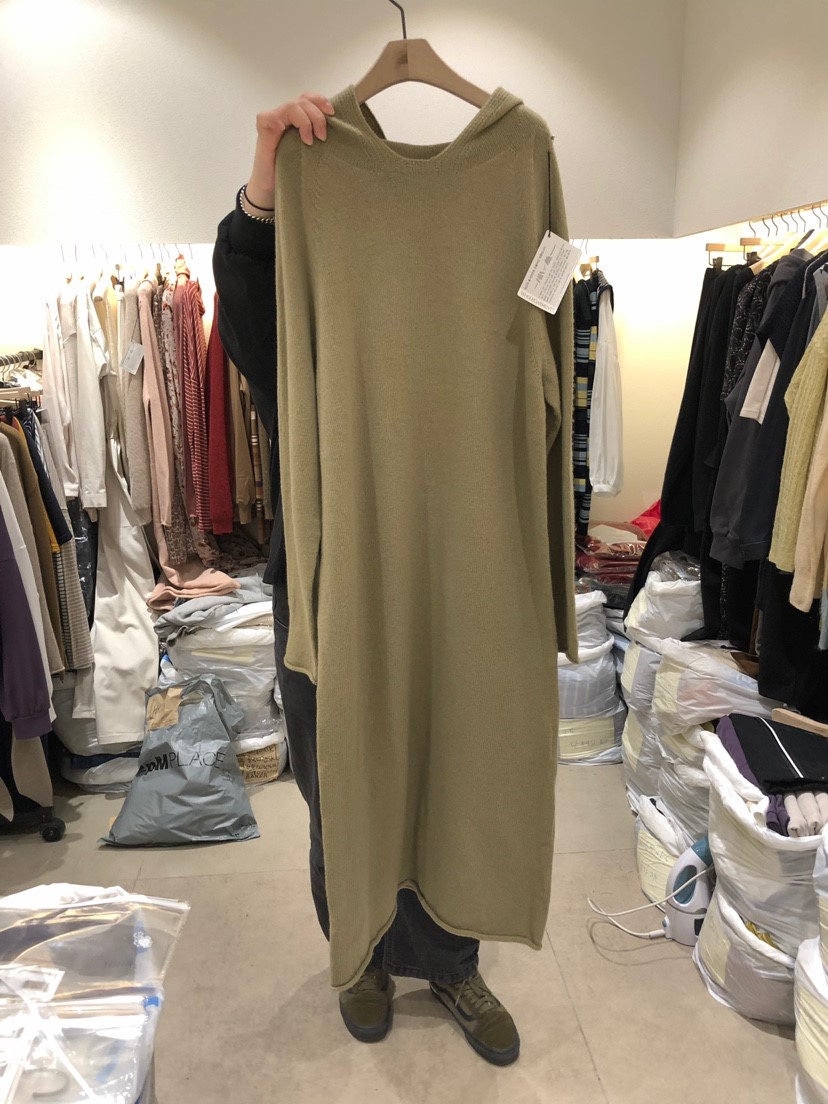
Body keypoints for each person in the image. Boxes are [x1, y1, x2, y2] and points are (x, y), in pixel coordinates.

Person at [212, 91, 521, 1066]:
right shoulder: (309, 314)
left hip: (450, 578)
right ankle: (361, 953)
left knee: (449, 772)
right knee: (344, 781)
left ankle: (453, 960)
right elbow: (248, 312)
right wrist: (269, 170)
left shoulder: (473, 285)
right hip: (328, 581)